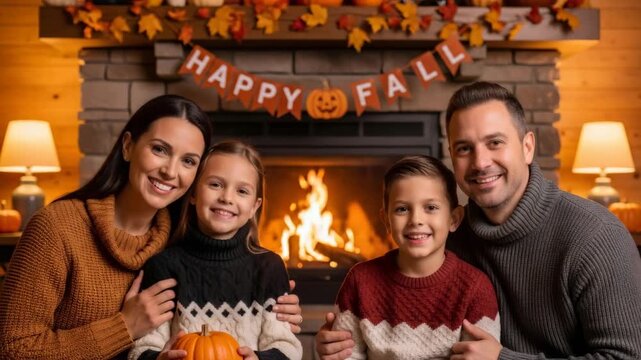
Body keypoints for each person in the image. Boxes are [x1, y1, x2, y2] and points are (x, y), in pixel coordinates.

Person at [315, 81, 641, 359]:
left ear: (527, 147)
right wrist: (336, 346)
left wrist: (503, 359)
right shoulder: (446, 235)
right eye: (464, 148)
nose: (481, 162)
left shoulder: (595, 237)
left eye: (495, 143)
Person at [0, 95, 302, 360]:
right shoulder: (57, 228)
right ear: (129, 146)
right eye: (159, 149)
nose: (170, 171)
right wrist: (125, 327)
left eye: (188, 161)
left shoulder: (178, 238)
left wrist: (276, 304)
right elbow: (12, 348)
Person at [128, 140, 302, 360]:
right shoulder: (164, 266)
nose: (226, 198)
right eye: (215, 185)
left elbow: (287, 346)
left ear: (254, 207)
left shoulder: (269, 267)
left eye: (241, 191)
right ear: (193, 194)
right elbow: (141, 348)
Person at [332, 155, 499, 359]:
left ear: (454, 219)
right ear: (386, 221)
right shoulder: (360, 280)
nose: (416, 220)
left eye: (431, 208)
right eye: (402, 209)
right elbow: (345, 355)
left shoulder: (474, 288)